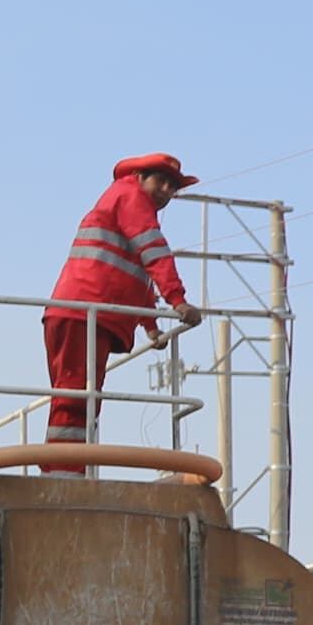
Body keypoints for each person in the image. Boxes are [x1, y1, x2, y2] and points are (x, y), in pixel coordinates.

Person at [45, 151, 204, 443]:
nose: (167, 191)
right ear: (141, 177)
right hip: (84, 311)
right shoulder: (131, 197)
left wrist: (151, 325)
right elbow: (154, 252)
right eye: (161, 181)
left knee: (83, 396)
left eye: (173, 186)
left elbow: (133, 273)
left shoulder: (126, 201)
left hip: (85, 312)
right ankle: (65, 473)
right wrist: (178, 301)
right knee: (77, 396)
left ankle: (71, 466)